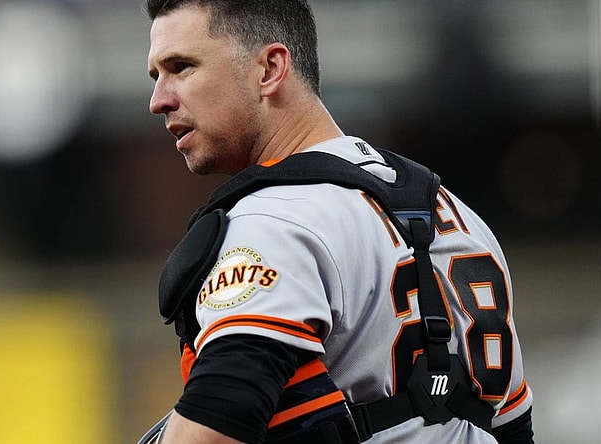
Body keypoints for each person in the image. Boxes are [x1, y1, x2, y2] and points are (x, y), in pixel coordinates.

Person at [142, 1, 534, 443]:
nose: (159, 100)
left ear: (270, 68)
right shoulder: (456, 213)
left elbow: (218, 422)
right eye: (157, 76)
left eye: (182, 67)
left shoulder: (275, 220)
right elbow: (514, 430)